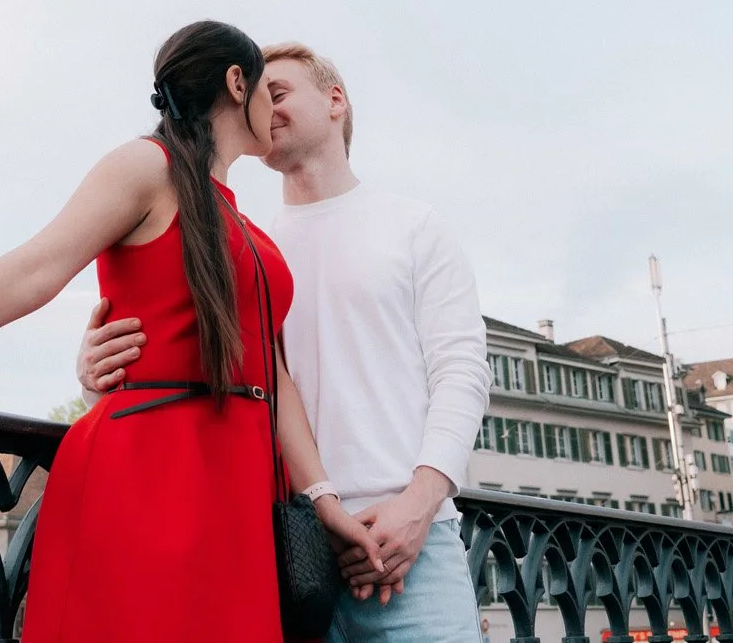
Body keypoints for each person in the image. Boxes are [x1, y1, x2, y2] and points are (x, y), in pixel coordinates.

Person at [0, 21, 383, 643]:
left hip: (236, 487)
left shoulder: (240, 218)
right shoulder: (148, 166)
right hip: (152, 470)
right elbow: (32, 270)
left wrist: (323, 500)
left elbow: (271, 376)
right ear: (234, 81)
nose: (274, 113)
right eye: (266, 94)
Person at [80, 42, 490, 641]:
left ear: (335, 100)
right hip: (280, 543)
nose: (262, 108)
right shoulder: (251, 247)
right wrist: (95, 372)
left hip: (411, 547)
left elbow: (462, 371)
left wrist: (420, 503)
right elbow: (190, 359)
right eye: (251, 97)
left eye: (278, 92)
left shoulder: (413, 226)